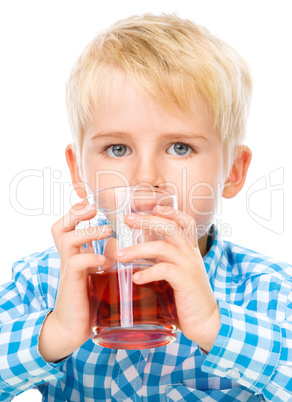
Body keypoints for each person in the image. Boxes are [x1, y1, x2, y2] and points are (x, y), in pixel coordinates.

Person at [0, 13, 291, 401]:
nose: (145, 176)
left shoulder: (271, 290)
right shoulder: (42, 282)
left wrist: (214, 324)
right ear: (79, 170)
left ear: (233, 171)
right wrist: (50, 335)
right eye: (117, 149)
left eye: (180, 147)